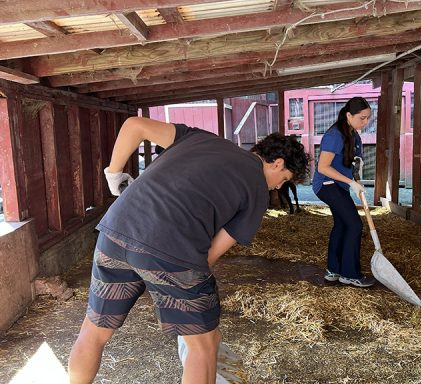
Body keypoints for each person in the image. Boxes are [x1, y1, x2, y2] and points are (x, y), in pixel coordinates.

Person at [68, 117, 310, 384]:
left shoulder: (200, 138)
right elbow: (208, 257)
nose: (277, 187)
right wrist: (168, 287)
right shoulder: (257, 192)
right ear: (277, 163)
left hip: (115, 231)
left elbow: (134, 125)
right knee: (203, 346)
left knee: (94, 331)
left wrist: (114, 175)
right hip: (172, 248)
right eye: (283, 179)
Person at [312, 96, 375, 288]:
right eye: (362, 118)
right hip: (326, 185)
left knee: (342, 224)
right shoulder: (334, 135)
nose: (365, 122)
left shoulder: (353, 134)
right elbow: (323, 167)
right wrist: (350, 182)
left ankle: (334, 270)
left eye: (367, 118)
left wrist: (356, 176)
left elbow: (354, 161)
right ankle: (349, 273)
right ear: (349, 115)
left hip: (339, 185)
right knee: (354, 225)